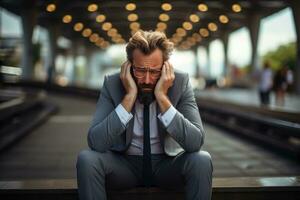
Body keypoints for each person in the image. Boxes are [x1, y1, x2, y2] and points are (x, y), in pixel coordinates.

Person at [76, 30, 213, 200]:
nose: (147, 80)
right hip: (124, 166)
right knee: (86, 159)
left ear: (165, 67)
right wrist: (129, 97)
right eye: (140, 70)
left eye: (154, 72)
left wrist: (163, 98)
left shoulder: (180, 83)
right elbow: (96, 142)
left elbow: (195, 143)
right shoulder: (112, 84)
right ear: (129, 65)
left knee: (202, 160)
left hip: (167, 165)